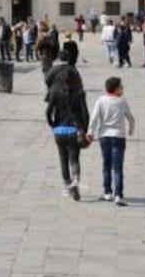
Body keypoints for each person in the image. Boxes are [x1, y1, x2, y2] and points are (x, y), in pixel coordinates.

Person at [87, 76, 136, 206]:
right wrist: (131, 129)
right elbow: (130, 117)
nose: (123, 88)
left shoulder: (101, 100)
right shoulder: (122, 101)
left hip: (104, 136)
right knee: (118, 167)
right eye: (121, 86)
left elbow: (94, 117)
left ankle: (107, 192)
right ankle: (118, 195)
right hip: (119, 136)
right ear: (115, 89)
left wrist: (90, 132)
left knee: (106, 164)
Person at [46, 65, 89, 201]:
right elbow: (85, 114)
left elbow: (48, 112)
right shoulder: (80, 93)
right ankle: (76, 179)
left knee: (63, 159)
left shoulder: (54, 91)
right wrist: (84, 129)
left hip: (59, 129)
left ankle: (67, 185)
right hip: (74, 130)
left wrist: (53, 125)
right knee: (74, 158)